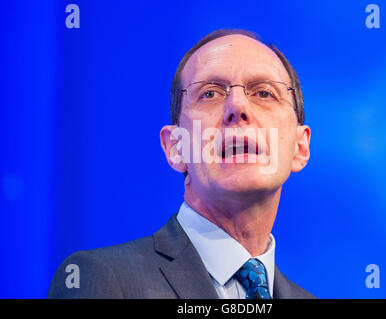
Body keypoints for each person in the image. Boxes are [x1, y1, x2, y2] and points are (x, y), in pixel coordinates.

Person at [48, 29, 314, 299]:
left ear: (299, 148)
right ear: (176, 147)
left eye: (264, 93)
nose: (238, 106)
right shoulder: (101, 280)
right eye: (210, 94)